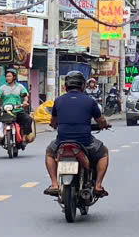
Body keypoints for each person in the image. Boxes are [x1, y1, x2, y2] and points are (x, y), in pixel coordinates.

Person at [43, 70, 110, 198]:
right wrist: (104, 125)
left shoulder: (58, 101)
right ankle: (98, 185)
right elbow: (100, 120)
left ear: (66, 86)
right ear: (83, 86)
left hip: (61, 141)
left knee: (49, 153)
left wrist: (54, 125)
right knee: (103, 152)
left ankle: (54, 184)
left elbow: (54, 121)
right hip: (85, 142)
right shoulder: (90, 101)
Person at [0, 68, 34, 146]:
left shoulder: (20, 87)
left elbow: (25, 96)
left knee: (28, 119)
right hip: (5, 112)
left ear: (14, 77)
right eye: (6, 76)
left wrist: (25, 102)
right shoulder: (2, 88)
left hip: (18, 111)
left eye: (9, 76)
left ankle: (24, 137)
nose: (7, 78)